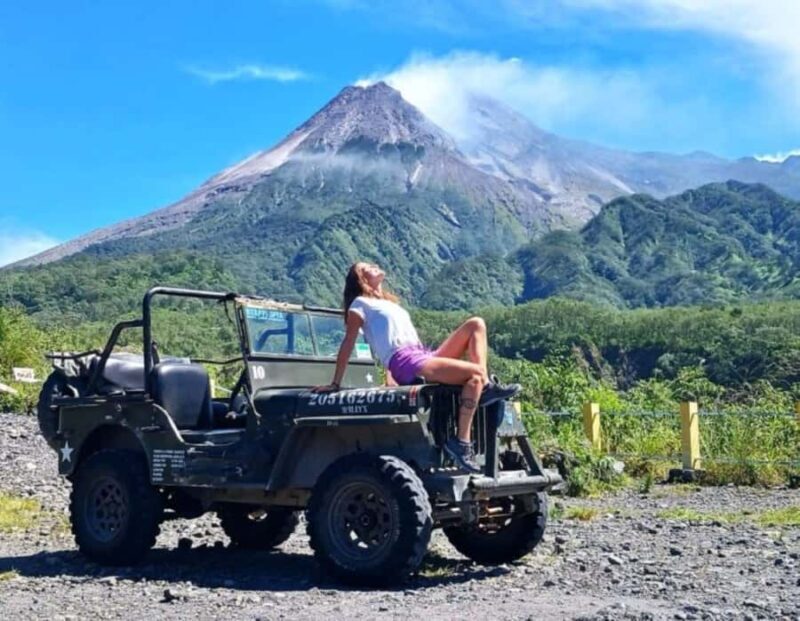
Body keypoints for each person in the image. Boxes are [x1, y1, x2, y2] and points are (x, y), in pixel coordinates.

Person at [313, 261, 520, 473]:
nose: (374, 266)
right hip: (404, 360)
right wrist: (335, 383)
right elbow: (349, 342)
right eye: (367, 267)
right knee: (475, 375)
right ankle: (462, 440)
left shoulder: (389, 303)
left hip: (420, 353)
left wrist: (389, 379)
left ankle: (482, 388)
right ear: (360, 278)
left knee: (476, 324)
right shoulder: (359, 304)